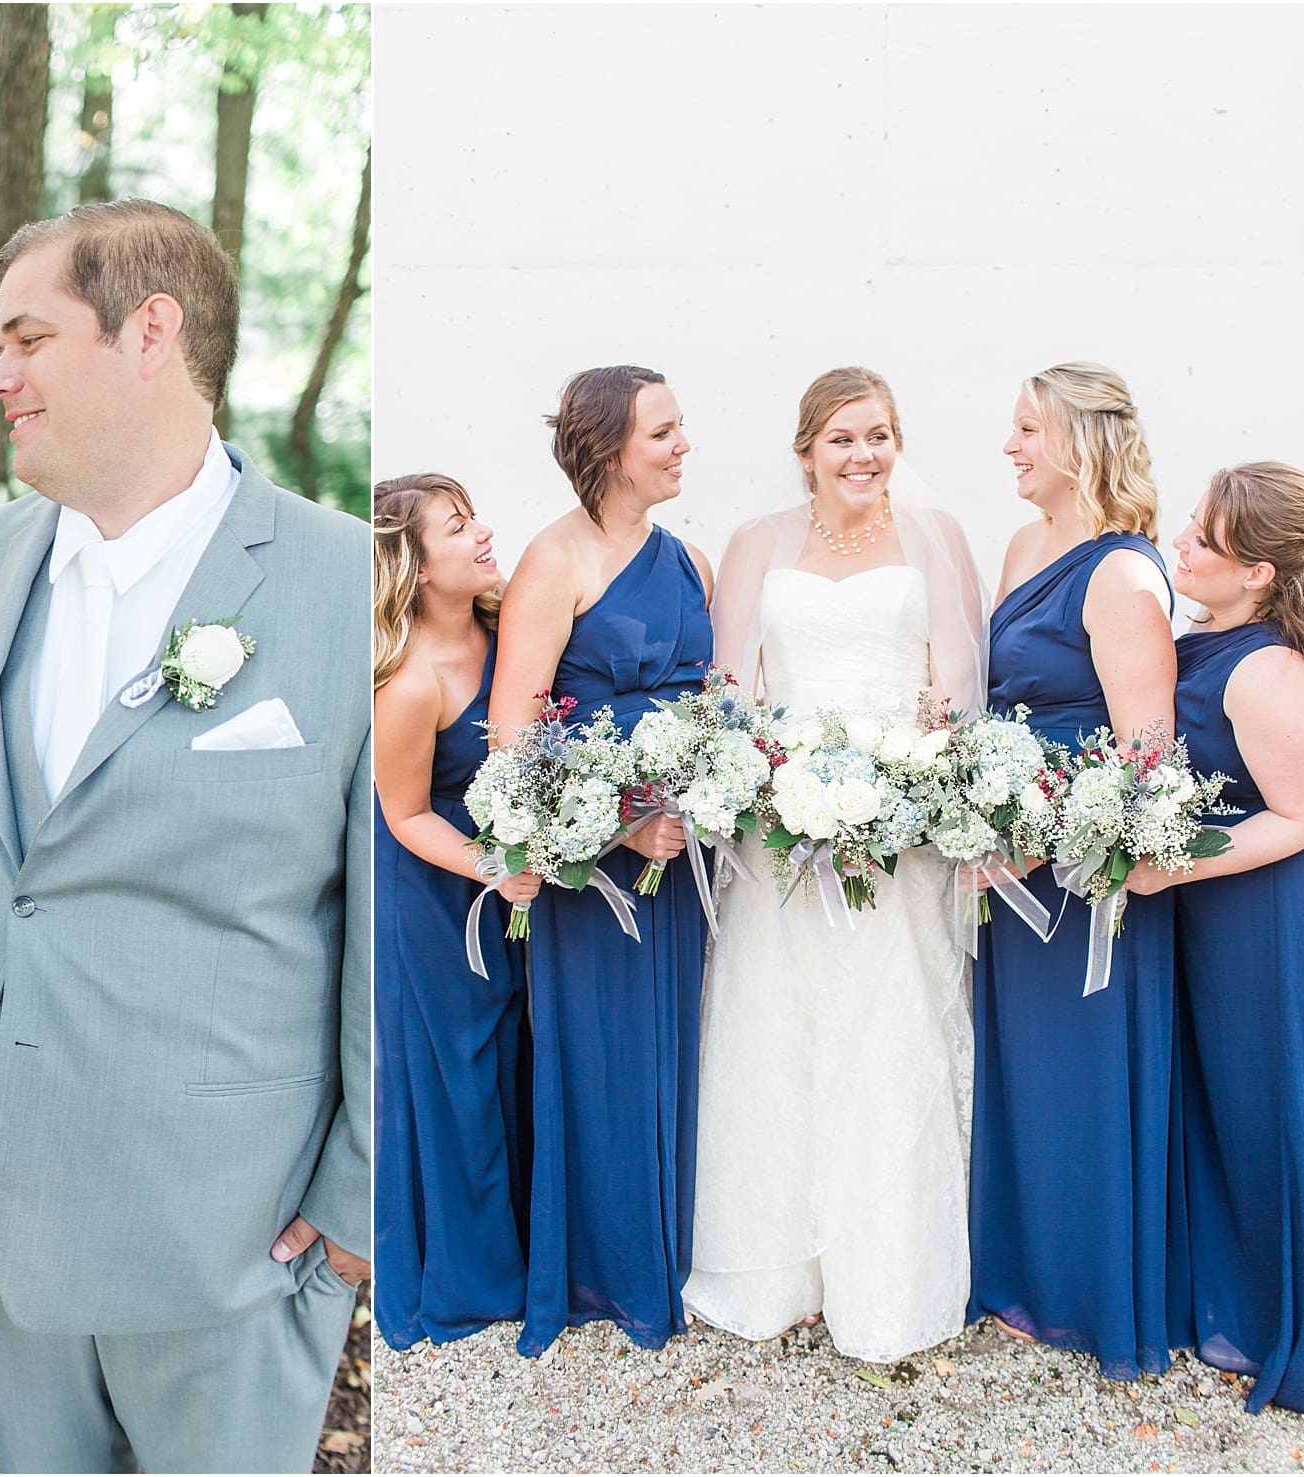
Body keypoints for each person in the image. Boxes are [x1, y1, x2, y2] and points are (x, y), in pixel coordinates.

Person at [0, 199, 370, 1474]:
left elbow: (385, 915)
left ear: (150, 331)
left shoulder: (341, 578)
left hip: (233, 1242)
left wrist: (361, 1203)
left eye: (27, 338)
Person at [683, 367, 987, 1362]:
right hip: (781, 831)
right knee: (776, 1034)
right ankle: (778, 1269)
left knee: (887, 1038)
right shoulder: (757, 543)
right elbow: (731, 694)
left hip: (896, 834)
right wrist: (764, 783)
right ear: (807, 447)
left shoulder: (936, 537)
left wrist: (920, 789)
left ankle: (888, 1281)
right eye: (845, 439)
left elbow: (953, 690)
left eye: (881, 436)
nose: (865, 456)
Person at [488, 364, 712, 1356]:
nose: (681, 445)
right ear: (607, 448)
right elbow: (512, 736)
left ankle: (672, 1253)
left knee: (677, 1049)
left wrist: (710, 782)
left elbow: (714, 702)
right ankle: (607, 1271)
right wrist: (620, 825)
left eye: (680, 427)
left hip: (684, 858)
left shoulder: (692, 562)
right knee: (604, 1060)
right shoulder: (554, 561)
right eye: (662, 431)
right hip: (597, 873)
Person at [967, 361, 1179, 1379]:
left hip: (1078, 873)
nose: (1010, 446)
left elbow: (1146, 755)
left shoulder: (1123, 576)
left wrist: (1043, 836)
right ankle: (1029, 1277)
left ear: (1079, 442)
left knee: (1084, 1071)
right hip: (1006, 859)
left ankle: (1096, 1290)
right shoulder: (1021, 546)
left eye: (1025, 430)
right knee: (1019, 1067)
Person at [1127, 463, 1304, 1419]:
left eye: (1203, 539)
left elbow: (1298, 816)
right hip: (1218, 894)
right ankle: (1230, 1300)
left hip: (1271, 908)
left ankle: (1290, 1320)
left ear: (1257, 570)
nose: (1180, 543)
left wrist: (1171, 863)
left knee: (1270, 1103)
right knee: (1219, 1094)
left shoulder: (1263, 668)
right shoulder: (1212, 635)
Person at [371, 473, 535, 1349]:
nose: (480, 536)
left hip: (506, 878)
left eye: (475, 518)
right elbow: (403, 815)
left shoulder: (508, 628)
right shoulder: (406, 682)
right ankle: (467, 1278)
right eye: (456, 527)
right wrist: (493, 866)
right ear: (412, 562)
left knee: (514, 1058)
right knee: (457, 1078)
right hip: (434, 888)